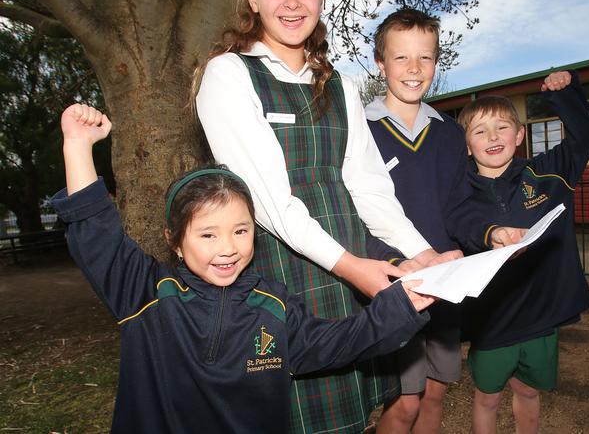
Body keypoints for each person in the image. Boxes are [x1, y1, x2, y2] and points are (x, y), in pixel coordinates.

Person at [193, 0, 458, 432]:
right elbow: (270, 203)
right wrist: (356, 269)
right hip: (279, 279)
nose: (292, 1)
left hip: (347, 277)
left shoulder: (340, 86)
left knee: (354, 417)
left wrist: (422, 255)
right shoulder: (229, 74)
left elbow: (369, 188)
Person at [52, 103, 438, 434]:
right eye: (207, 235)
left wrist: (401, 305)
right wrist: (78, 144)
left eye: (241, 230)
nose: (228, 249)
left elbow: (338, 342)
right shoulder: (144, 292)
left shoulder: (272, 305)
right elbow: (95, 233)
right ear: (175, 240)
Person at [364, 7, 525, 434]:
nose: (414, 69)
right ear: (380, 63)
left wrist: (491, 233)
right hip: (394, 284)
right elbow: (358, 213)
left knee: (435, 393)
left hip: (446, 284)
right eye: (401, 57)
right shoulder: (361, 128)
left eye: (426, 57)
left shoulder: (451, 134)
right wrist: (393, 263)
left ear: (437, 61)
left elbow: (459, 208)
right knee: (405, 403)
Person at [458, 71, 589, 434]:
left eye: (502, 127)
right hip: (492, 320)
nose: (492, 137)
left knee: (529, 392)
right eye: (480, 130)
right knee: (487, 397)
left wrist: (566, 93)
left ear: (519, 135)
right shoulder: (458, 193)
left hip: (541, 317)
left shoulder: (548, 174)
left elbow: (583, 137)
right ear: (467, 143)